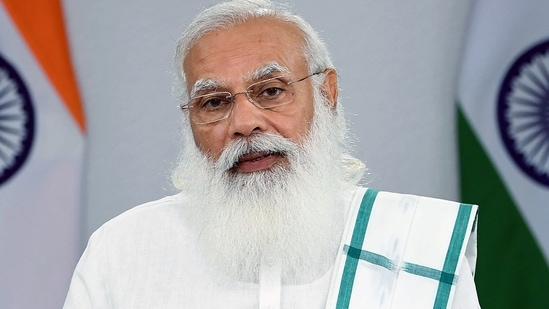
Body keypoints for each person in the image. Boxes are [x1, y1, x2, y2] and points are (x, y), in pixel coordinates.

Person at [63, 0, 480, 308]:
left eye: (271, 91)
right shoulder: (122, 251)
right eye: (213, 102)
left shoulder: (414, 245)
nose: (245, 122)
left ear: (326, 94)